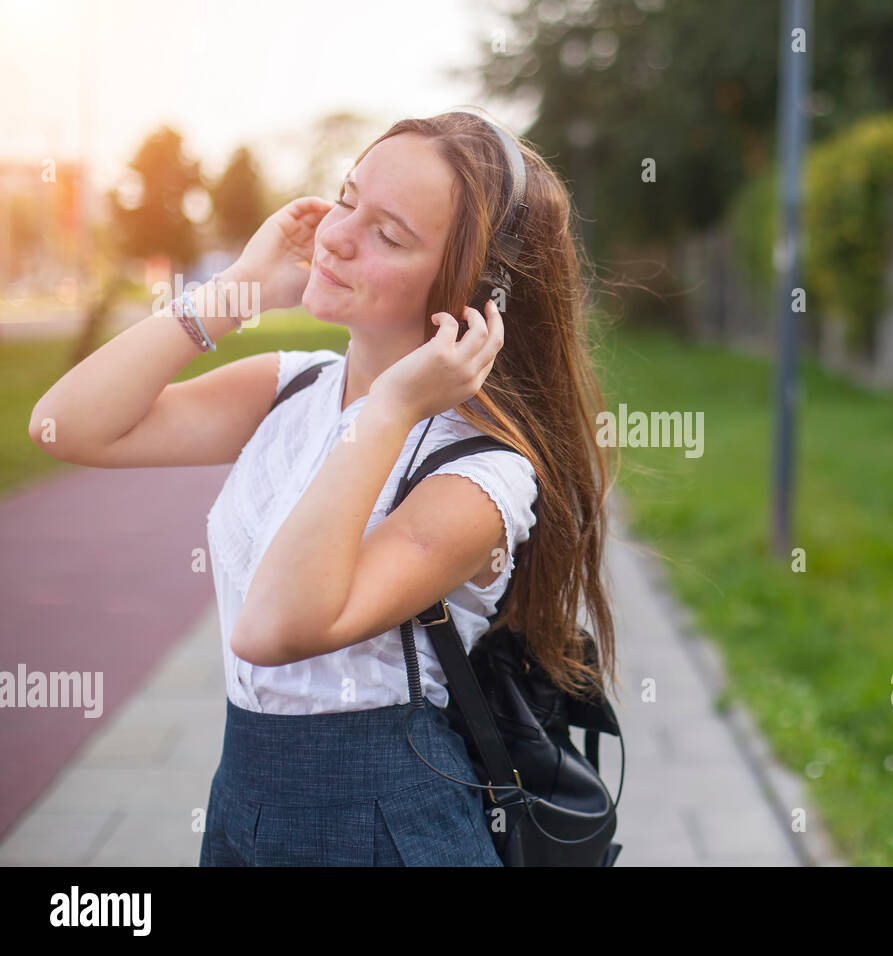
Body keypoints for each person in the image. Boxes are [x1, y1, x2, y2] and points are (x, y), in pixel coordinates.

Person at [28, 110, 620, 866]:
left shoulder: (480, 475)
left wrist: (396, 406)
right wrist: (235, 291)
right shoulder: (293, 387)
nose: (336, 236)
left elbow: (272, 629)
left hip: (385, 827)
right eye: (347, 199)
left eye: (389, 234)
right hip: (243, 803)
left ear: (471, 297)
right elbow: (65, 427)